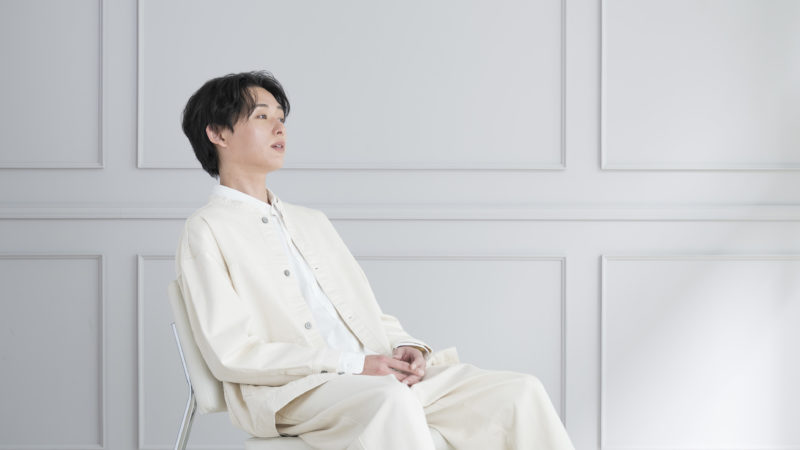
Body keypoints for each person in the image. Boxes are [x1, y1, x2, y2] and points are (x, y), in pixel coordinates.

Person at [175, 70, 574, 450]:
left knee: (519, 392)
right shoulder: (207, 229)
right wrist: (352, 364)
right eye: (262, 116)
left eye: (281, 117)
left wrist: (406, 346)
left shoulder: (312, 222)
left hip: (377, 375)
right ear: (218, 133)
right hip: (294, 393)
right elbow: (232, 352)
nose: (280, 128)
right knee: (390, 401)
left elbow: (367, 313)